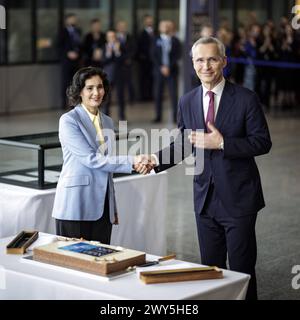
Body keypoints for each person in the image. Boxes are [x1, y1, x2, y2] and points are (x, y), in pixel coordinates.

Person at [145, 37, 272, 300]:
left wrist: (223, 142)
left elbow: (262, 142)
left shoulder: (246, 99)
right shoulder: (188, 100)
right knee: (210, 270)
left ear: (224, 62)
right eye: (200, 60)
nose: (206, 65)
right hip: (204, 200)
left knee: (242, 270)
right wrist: (155, 160)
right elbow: (183, 144)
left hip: (239, 199)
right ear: (193, 64)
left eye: (213, 59)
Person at [52, 67, 148, 243]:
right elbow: (92, 159)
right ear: (79, 91)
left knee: (100, 260)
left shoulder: (108, 122)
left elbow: (107, 168)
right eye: (90, 88)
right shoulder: (69, 120)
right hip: (76, 205)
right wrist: (133, 160)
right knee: (75, 265)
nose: (96, 93)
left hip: (102, 207)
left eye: (100, 87)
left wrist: (112, 207)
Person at [152, 20, 181, 123]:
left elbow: (178, 55)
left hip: (172, 71)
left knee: (173, 94)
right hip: (159, 71)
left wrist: (169, 66)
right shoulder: (155, 40)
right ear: (160, 28)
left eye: (167, 26)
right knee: (158, 93)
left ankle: (175, 117)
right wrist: (161, 67)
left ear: (170, 27)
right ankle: (158, 116)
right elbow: (153, 55)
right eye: (163, 26)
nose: (165, 27)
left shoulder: (175, 40)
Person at [58, 13, 82, 108]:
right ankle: (63, 102)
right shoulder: (62, 32)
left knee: (75, 82)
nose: (73, 21)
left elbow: (80, 44)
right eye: (71, 19)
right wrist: (67, 53)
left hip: (76, 61)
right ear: (67, 20)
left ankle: (74, 102)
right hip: (66, 61)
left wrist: (78, 53)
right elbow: (59, 46)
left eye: (74, 19)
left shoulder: (78, 31)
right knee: (65, 82)